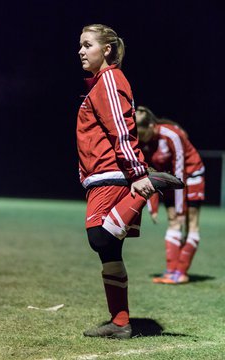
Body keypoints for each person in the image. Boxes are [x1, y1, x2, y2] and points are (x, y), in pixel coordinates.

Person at [76, 25, 183, 339]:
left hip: (113, 174)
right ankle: (120, 323)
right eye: (79, 46)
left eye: (87, 45)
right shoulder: (99, 84)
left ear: (106, 49)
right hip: (102, 175)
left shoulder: (109, 79)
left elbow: (122, 130)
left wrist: (138, 175)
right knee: (108, 253)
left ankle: (151, 183)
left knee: (99, 237)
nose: (81, 51)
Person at [135, 106, 205, 284]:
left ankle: (181, 272)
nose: (142, 139)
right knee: (173, 220)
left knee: (190, 223)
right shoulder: (145, 142)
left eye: (143, 134)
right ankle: (170, 272)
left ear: (151, 126)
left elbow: (180, 169)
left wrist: (181, 208)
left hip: (192, 175)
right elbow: (150, 172)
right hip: (171, 180)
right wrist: (152, 204)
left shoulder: (172, 135)